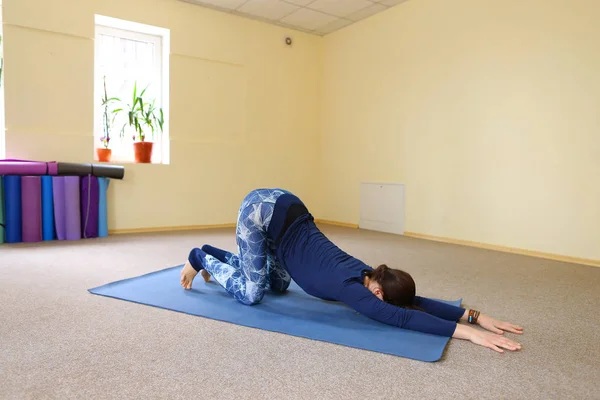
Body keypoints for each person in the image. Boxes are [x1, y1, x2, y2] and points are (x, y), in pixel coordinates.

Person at [181, 188, 523, 354]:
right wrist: (467, 334)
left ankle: (217, 253)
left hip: (288, 216)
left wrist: (473, 315)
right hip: (262, 212)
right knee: (253, 294)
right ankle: (200, 257)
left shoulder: (369, 273)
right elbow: (400, 317)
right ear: (377, 291)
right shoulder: (351, 288)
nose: (386, 305)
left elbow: (413, 302)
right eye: (385, 301)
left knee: (278, 285)